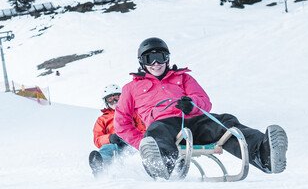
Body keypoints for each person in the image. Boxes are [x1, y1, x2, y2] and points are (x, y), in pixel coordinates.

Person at [113, 37, 287, 179]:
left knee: (226, 122)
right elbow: (121, 124)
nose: (156, 63)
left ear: (168, 59)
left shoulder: (183, 78)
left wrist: (192, 104)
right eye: (149, 58)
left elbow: (205, 101)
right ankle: (160, 164)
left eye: (161, 57)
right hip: (164, 126)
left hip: (195, 121)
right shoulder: (131, 88)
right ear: (142, 62)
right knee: (157, 132)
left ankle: (265, 155)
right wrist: (143, 142)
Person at [88, 84, 133, 174]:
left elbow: (142, 127)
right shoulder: (102, 119)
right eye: (110, 99)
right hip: (115, 143)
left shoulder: (132, 112)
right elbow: (97, 139)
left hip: (131, 141)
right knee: (108, 148)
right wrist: (110, 138)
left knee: (136, 150)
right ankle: (100, 164)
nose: (114, 101)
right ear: (106, 101)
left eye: (117, 97)